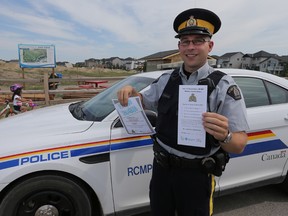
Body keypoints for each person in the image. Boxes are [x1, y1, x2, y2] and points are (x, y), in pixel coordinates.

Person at [117, 8, 249, 216]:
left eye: (198, 41)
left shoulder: (223, 86)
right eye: (185, 41)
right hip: (162, 171)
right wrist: (131, 93)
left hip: (196, 176)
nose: (191, 47)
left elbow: (239, 143)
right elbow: (142, 101)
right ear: (179, 46)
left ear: (210, 45)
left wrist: (225, 135)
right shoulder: (166, 80)